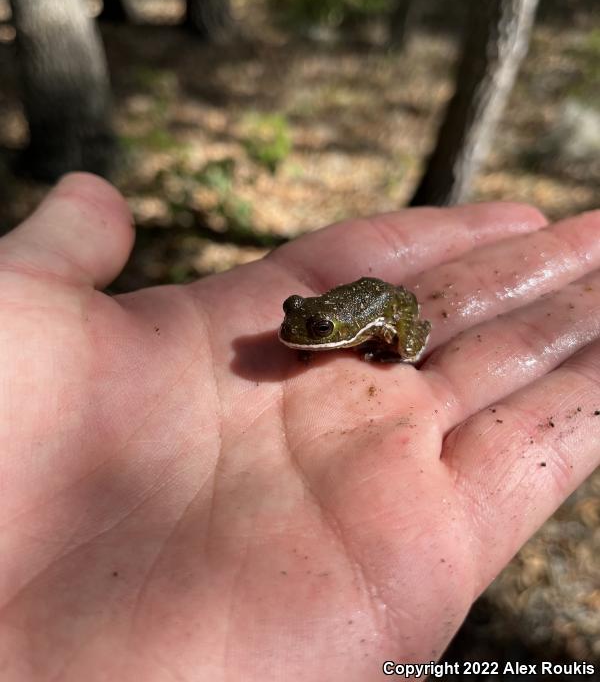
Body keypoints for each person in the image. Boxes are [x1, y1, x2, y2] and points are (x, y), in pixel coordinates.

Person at [1, 172, 599, 681]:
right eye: (295, 320)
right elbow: (308, 320)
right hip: (349, 305)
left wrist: (389, 349)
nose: (292, 331)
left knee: (400, 336)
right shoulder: (306, 317)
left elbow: (383, 321)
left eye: (309, 331)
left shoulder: (359, 326)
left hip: (383, 310)